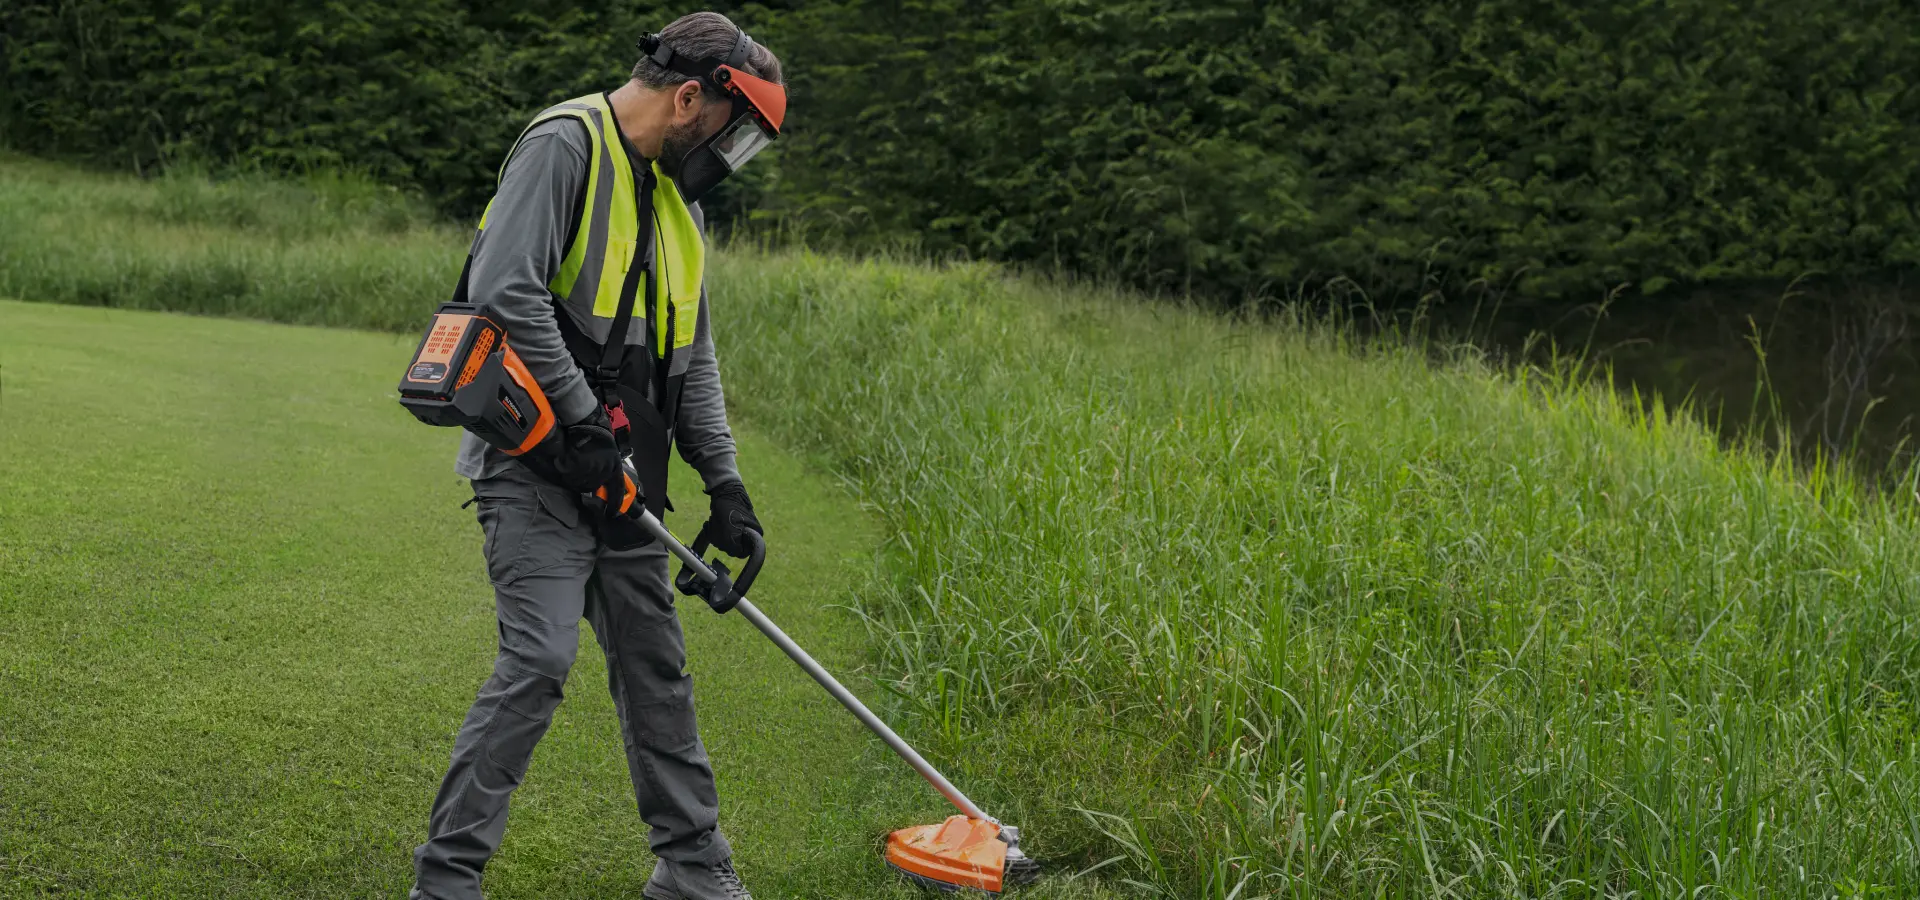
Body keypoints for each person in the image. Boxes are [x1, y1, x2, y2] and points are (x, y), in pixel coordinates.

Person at [410, 12, 787, 900]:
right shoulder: (565, 142)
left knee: (655, 666)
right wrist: (583, 425)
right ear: (691, 96)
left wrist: (726, 484)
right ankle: (445, 881)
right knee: (539, 661)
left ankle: (693, 867)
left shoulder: (677, 203)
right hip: (535, 462)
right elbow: (506, 288)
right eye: (736, 134)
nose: (731, 157)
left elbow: (691, 360)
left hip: (621, 477)